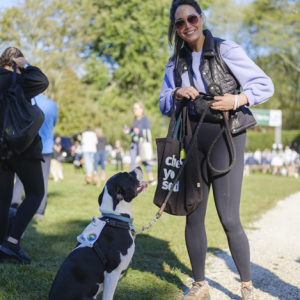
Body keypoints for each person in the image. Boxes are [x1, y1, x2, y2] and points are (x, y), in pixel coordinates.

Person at [159, 1, 274, 299]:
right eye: (180, 22)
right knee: (193, 213)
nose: (187, 26)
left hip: (227, 135)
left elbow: (264, 84)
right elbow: (162, 102)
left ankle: (247, 286)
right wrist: (175, 92)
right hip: (193, 138)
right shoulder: (175, 62)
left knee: (229, 217)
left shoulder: (226, 49)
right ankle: (200, 285)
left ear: (201, 18)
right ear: (175, 27)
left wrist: (236, 100)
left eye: (192, 18)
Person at [0, 47, 49, 264]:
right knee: (36, 193)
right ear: (16, 62)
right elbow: (42, 81)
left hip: (1, 150)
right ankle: (11, 242)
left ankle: (2, 244)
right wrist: (25, 65)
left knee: (2, 199)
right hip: (22, 147)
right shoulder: (18, 80)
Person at [11, 92, 58, 220]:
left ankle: (13, 206)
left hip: (26, 145)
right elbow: (53, 123)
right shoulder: (52, 104)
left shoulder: (25, 101)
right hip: (46, 147)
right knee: (43, 179)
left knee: (20, 179)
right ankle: (38, 211)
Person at [127, 102, 157, 185]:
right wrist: (129, 131)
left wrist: (139, 132)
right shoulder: (135, 119)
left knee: (144, 160)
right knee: (133, 160)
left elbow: (147, 132)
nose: (134, 110)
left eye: (136, 108)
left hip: (141, 143)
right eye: (134, 108)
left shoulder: (144, 119)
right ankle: (132, 179)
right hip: (134, 142)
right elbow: (133, 132)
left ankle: (151, 178)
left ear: (141, 109)